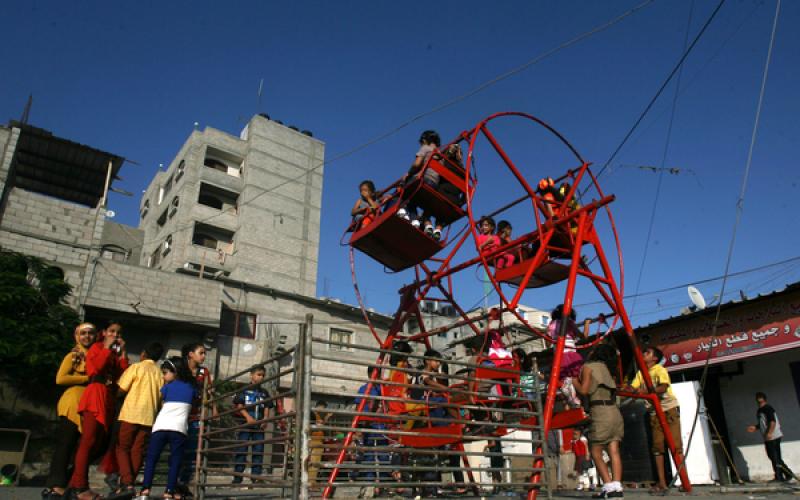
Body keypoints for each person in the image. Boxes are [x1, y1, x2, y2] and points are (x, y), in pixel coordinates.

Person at [68, 320, 129, 500]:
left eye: (118, 333)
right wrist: (106, 348)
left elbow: (122, 375)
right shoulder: (96, 348)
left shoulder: (113, 354)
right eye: (112, 331)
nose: (115, 336)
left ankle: (74, 482)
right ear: (104, 332)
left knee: (99, 443)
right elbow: (96, 369)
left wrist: (123, 354)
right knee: (88, 440)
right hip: (95, 394)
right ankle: (79, 487)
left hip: (108, 397)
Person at [42, 323, 97, 500]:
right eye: (83, 333)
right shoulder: (74, 355)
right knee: (66, 444)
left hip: (88, 405)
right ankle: (56, 485)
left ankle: (70, 482)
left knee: (85, 447)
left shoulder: (95, 356)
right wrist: (86, 378)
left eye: (90, 333)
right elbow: (61, 378)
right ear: (76, 336)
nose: (87, 336)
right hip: (72, 404)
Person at [626, 346, 683, 495]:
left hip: (668, 408)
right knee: (658, 447)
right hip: (653, 412)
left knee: (675, 445)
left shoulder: (659, 369)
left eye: (647, 352)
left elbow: (663, 387)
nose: (644, 354)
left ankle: (684, 480)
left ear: (654, 358)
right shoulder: (640, 374)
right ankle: (662, 483)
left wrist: (644, 391)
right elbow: (632, 388)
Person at [139, 357, 198, 500]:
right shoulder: (192, 387)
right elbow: (195, 402)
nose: (163, 376)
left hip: (160, 426)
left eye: (165, 373)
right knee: (175, 461)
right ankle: (169, 492)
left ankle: (145, 490)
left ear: (175, 372)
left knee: (152, 459)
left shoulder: (166, 387)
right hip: (179, 429)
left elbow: (163, 402)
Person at [113, 342, 165, 495]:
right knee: (137, 450)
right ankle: (129, 484)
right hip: (148, 417)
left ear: (144, 353)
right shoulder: (160, 374)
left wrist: (114, 395)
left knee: (122, 448)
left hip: (130, 413)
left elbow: (122, 389)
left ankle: (126, 483)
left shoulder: (136, 367)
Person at [574, 343, 624, 499]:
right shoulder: (609, 370)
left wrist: (573, 380)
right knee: (614, 451)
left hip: (600, 411)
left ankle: (609, 488)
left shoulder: (589, 366)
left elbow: (584, 390)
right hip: (614, 411)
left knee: (596, 452)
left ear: (595, 353)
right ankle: (617, 486)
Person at [177, 343, 215, 496]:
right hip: (179, 414)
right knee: (177, 448)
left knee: (193, 451)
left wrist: (213, 409)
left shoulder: (204, 372)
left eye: (204, 353)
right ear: (191, 354)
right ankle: (172, 483)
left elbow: (209, 392)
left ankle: (184, 483)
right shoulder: (180, 368)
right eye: (201, 353)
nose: (204, 356)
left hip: (196, 416)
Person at [232, 364, 272, 484]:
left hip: (259, 426)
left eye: (263, 375)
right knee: (241, 450)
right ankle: (237, 477)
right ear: (251, 375)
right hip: (245, 424)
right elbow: (239, 406)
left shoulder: (264, 392)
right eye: (259, 375)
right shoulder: (243, 390)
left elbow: (267, 406)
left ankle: (256, 477)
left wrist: (265, 418)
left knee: (258, 451)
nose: (261, 377)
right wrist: (247, 417)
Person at [747, 392, 797, 483]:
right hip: (768, 436)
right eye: (758, 400)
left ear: (764, 399)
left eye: (761, 399)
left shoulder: (768, 408)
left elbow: (772, 422)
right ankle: (788, 473)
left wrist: (770, 433)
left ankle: (779, 477)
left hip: (773, 436)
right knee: (773, 456)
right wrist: (756, 427)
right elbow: (764, 423)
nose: (759, 401)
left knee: (774, 456)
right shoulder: (760, 410)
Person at [548, 304, 587, 409]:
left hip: (559, 355)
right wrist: (586, 324)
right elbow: (583, 336)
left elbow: (548, 342)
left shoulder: (552, 324)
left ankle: (571, 399)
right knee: (578, 377)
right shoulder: (569, 322)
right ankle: (576, 401)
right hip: (570, 353)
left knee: (566, 378)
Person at [309, 401, 332, 487]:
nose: (323, 410)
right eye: (323, 408)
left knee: (312, 463)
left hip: (314, 440)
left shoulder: (314, 415)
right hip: (315, 441)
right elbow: (320, 425)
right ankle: (311, 483)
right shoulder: (314, 414)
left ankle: (310, 482)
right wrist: (327, 417)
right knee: (314, 463)